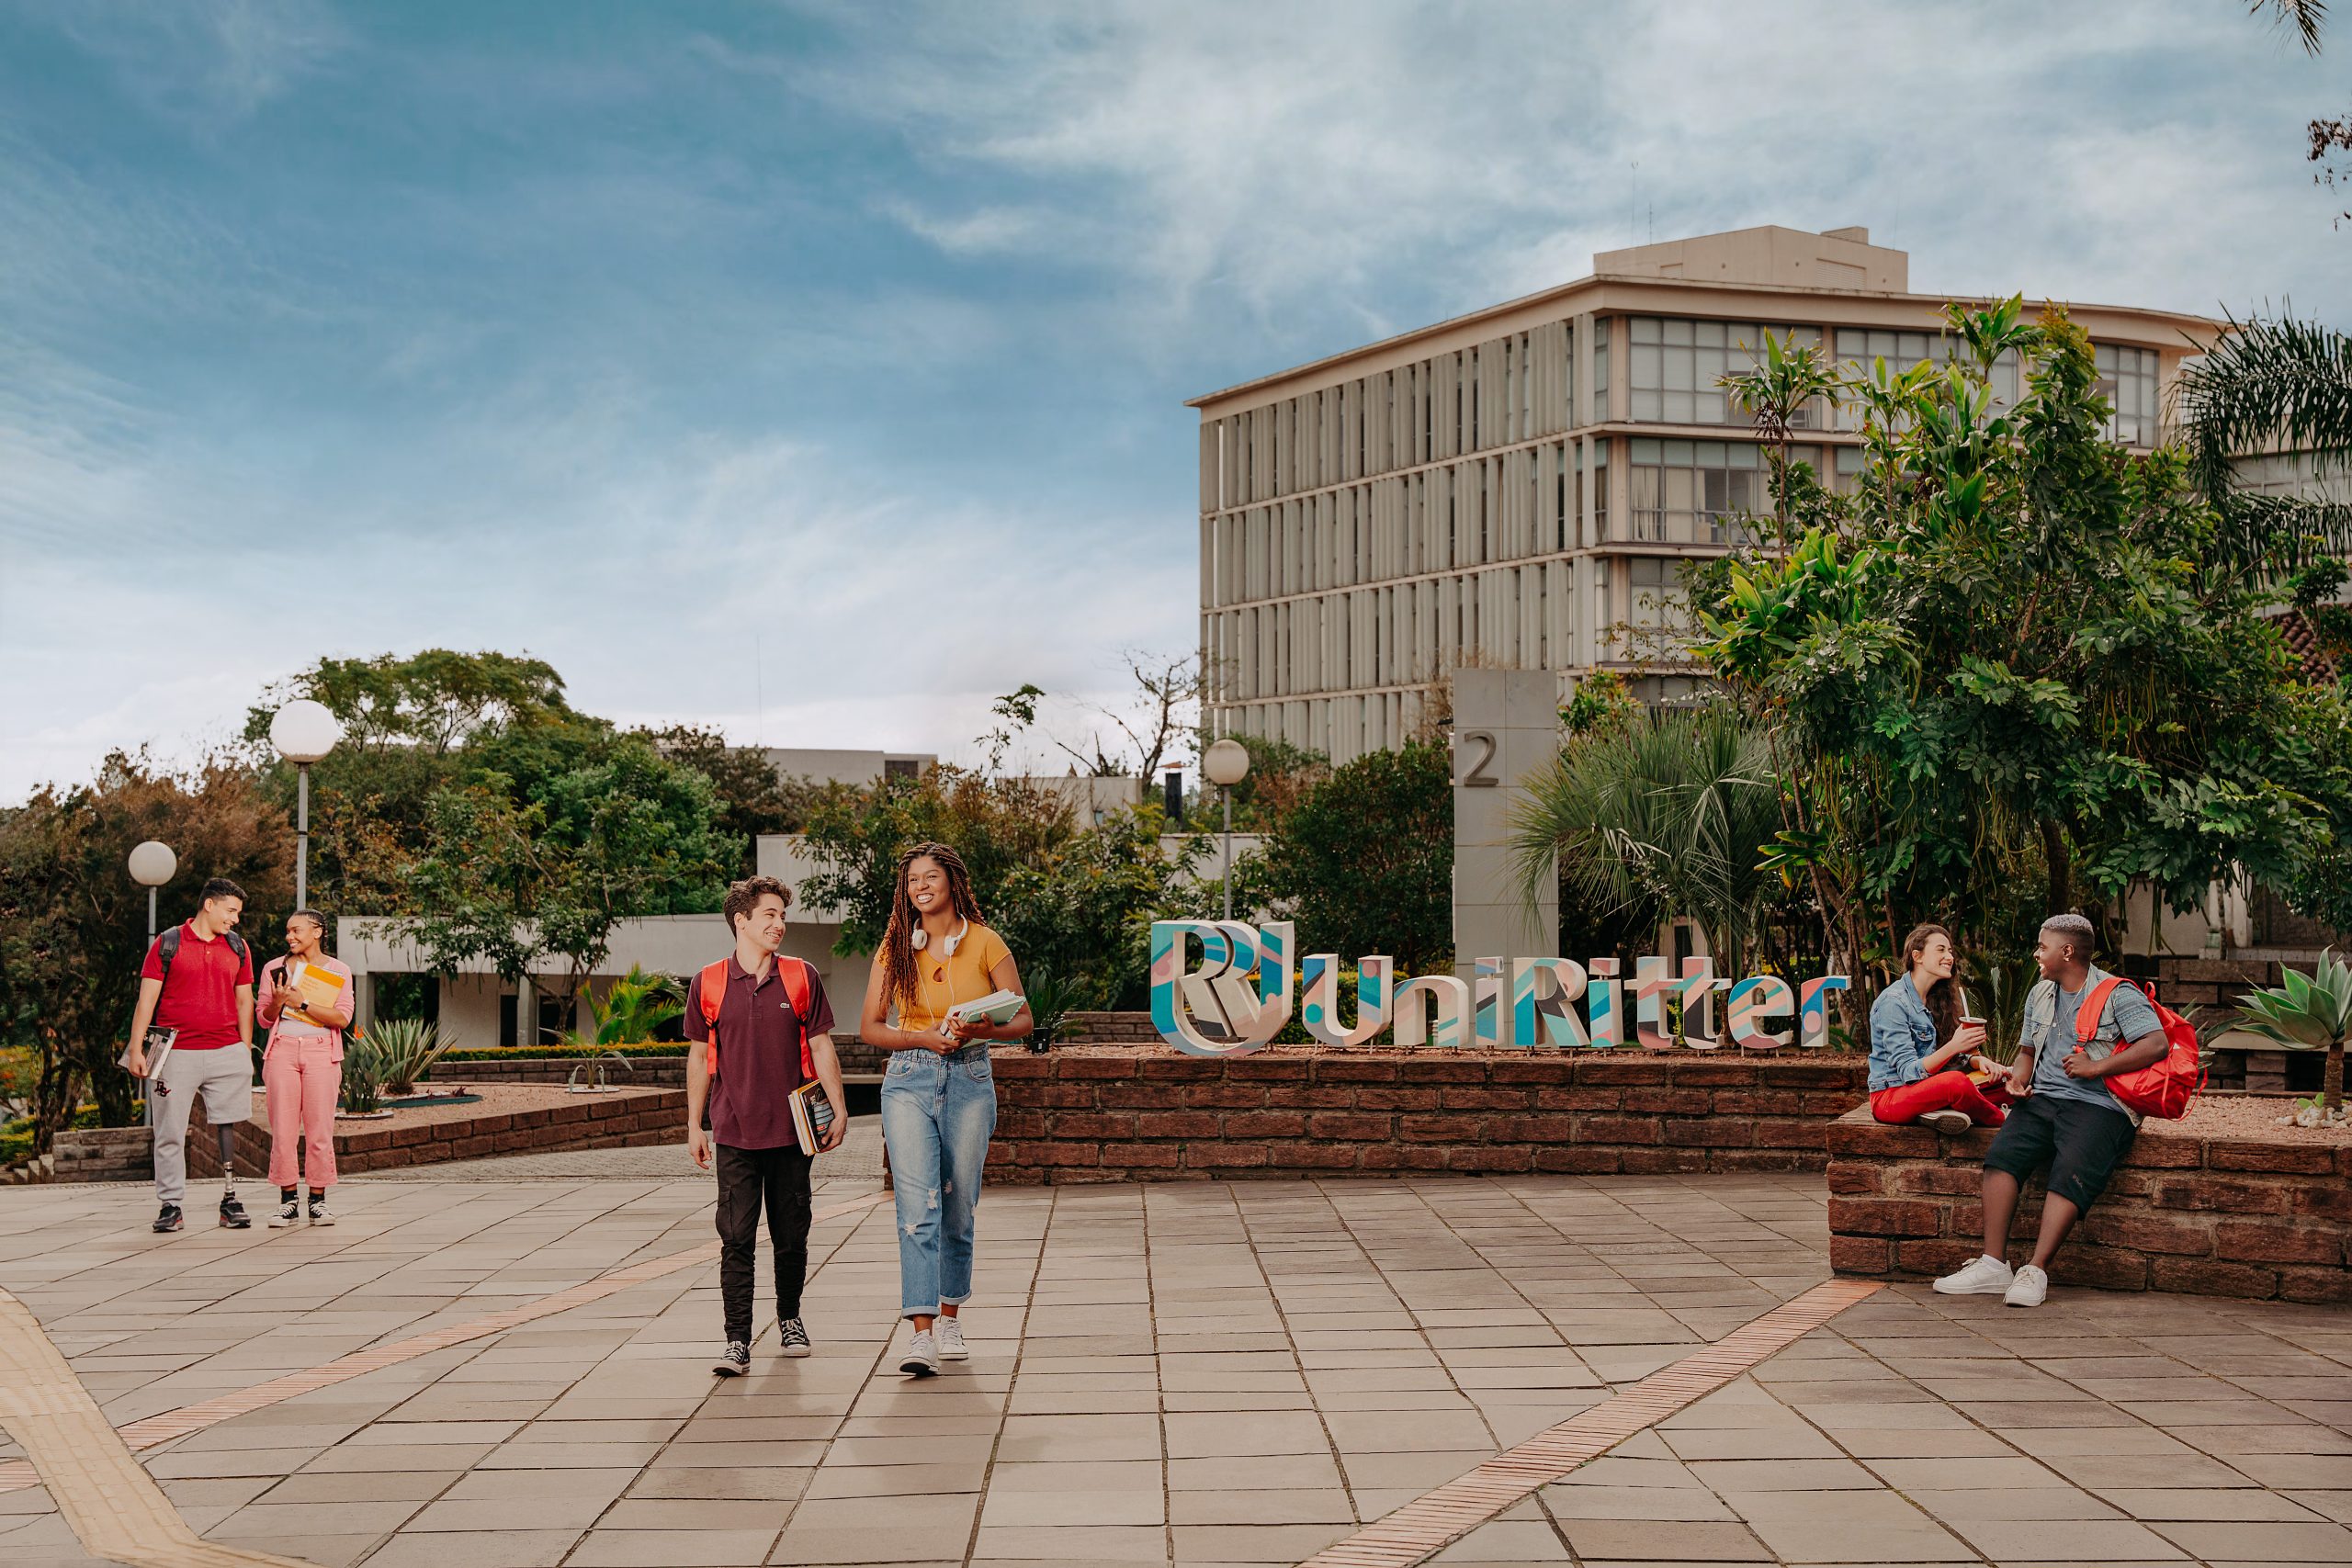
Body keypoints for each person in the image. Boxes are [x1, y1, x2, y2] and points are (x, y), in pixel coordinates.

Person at [1935, 913, 2171, 1308]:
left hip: (2101, 1104)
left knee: (2069, 1171)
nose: (2036, 954)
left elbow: (2156, 1043)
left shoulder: (2116, 992)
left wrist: (2096, 1067)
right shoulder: (2040, 994)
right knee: (2001, 1158)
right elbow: (2027, 1051)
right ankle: (1994, 1266)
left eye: (2042, 947)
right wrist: (2017, 1081)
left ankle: (2037, 1269)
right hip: (2043, 1099)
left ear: (2067, 951)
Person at [860, 842, 1031, 1378]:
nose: (920, 887)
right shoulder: (895, 948)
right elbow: (870, 1028)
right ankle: (921, 1332)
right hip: (908, 1079)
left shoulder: (985, 942)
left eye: (930, 877)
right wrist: (922, 1039)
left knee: (958, 1203)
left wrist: (983, 1029)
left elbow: (1024, 1019)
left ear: (952, 883)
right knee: (917, 1210)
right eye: (912, 880)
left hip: (971, 1079)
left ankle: (951, 1313)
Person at [686, 874, 848, 1378]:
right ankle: (736, 1340)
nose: (780, 924)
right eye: (770, 915)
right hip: (733, 1131)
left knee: (791, 1235)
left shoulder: (802, 977)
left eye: (783, 915)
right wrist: (694, 1124)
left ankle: (790, 1317)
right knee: (735, 1237)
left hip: (793, 1132)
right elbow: (698, 1057)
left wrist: (840, 1109)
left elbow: (822, 1045)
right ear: (742, 921)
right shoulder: (708, 982)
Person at [124, 877, 258, 1233]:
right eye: (231, 911)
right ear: (209, 905)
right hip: (175, 1053)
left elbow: (245, 1000)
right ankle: (171, 1205)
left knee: (229, 1125)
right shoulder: (168, 943)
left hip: (226, 1050)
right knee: (169, 1130)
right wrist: (136, 1049)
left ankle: (231, 1201)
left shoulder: (238, 947)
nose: (236, 919)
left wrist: (244, 1048)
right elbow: (146, 1000)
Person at [255, 910, 354, 1226]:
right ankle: (287, 1201)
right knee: (283, 1130)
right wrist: (279, 1001)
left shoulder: (339, 971)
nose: (290, 936)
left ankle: (318, 1200)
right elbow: (263, 1017)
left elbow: (343, 1018)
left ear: (317, 931)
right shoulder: (274, 968)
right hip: (282, 1050)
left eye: (296, 930)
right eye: (287, 931)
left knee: (319, 1130)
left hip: (322, 1052)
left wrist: (303, 1004)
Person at [1869, 923, 2006, 1134]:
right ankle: (2003, 1120)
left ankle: (1936, 1112)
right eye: (1941, 949)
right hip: (1891, 1096)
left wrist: (1977, 1061)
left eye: (1950, 951)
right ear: (1918, 956)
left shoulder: (1937, 999)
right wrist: (1954, 1045)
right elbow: (1909, 1073)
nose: (1949, 957)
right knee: (1956, 1084)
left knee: (2009, 1079)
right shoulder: (1893, 1002)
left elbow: (1944, 1058)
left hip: (1928, 1088)